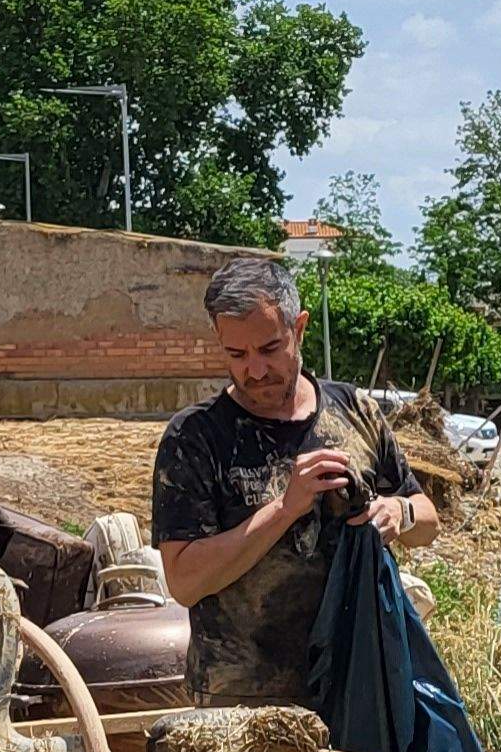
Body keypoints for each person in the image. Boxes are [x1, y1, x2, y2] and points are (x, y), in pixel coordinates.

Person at [151, 256, 442, 707]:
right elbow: (185, 580)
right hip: (243, 708)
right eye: (236, 355)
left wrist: (397, 512)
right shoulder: (195, 438)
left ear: (300, 327)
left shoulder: (356, 412)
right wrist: (285, 509)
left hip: (357, 691)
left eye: (269, 348)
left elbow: (428, 521)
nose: (256, 370)